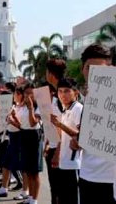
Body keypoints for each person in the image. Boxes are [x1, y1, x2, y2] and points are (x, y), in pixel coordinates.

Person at [72, 44, 116, 204]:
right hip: (88, 178)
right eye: (89, 69)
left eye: (100, 70)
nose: (94, 75)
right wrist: (78, 141)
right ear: (82, 69)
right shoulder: (87, 102)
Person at [50, 78, 83, 204]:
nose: (63, 95)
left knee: (73, 199)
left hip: (74, 164)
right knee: (63, 198)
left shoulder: (78, 109)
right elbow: (63, 137)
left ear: (75, 93)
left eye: (67, 91)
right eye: (60, 91)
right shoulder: (65, 110)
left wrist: (59, 124)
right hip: (64, 163)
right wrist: (57, 154)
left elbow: (81, 136)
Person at [44, 58, 67, 204]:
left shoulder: (61, 94)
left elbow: (63, 125)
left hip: (60, 151)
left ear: (50, 74)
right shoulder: (57, 93)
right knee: (55, 190)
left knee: (59, 191)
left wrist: (57, 153)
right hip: (54, 147)